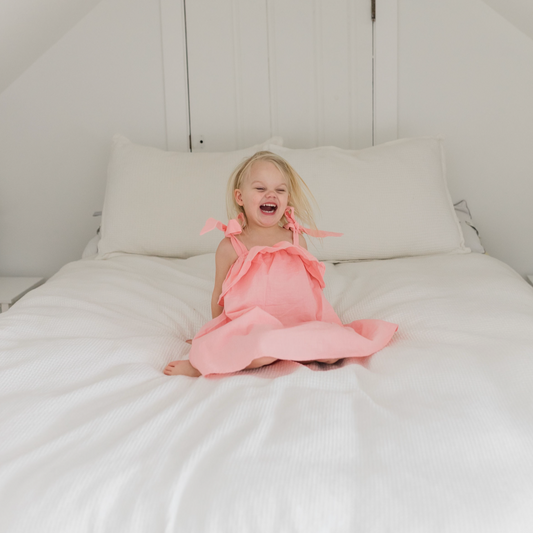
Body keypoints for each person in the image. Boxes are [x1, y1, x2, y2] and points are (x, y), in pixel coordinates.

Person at [164, 151, 398, 377]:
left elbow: (309, 289)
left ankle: (291, 346)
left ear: (287, 200)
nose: (271, 195)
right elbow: (219, 294)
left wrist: (321, 321)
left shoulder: (295, 240)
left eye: (280, 190)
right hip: (253, 326)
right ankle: (206, 364)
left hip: (297, 321)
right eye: (260, 188)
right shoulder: (231, 246)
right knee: (260, 346)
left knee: (333, 353)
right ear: (240, 198)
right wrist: (215, 333)